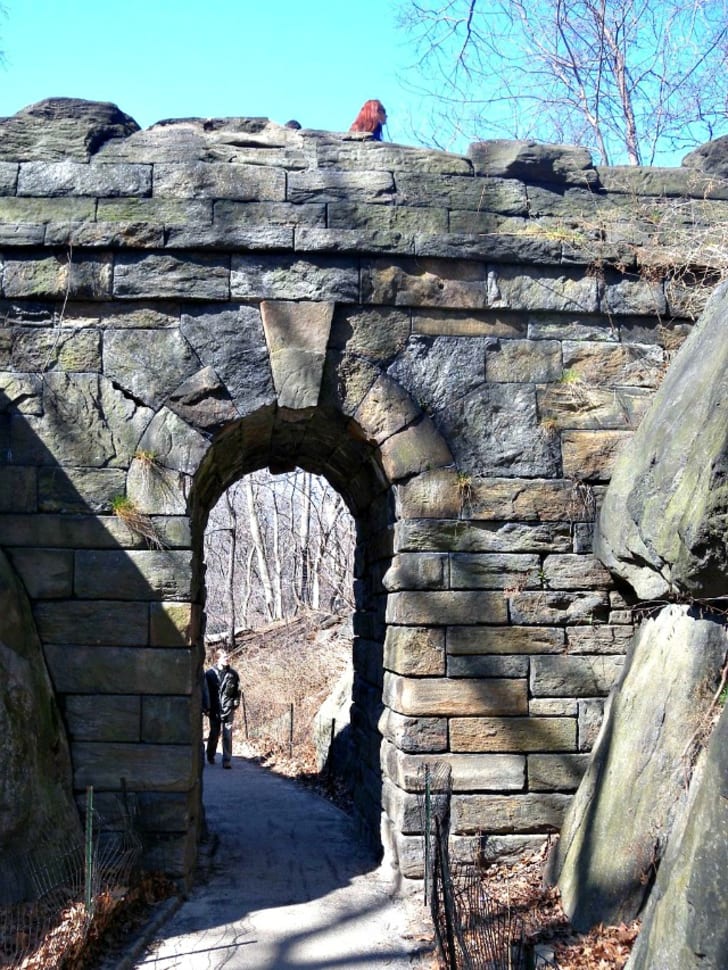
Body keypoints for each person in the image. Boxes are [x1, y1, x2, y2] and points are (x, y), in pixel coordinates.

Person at [204, 648, 241, 769]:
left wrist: (235, 703)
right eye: (224, 657)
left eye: (227, 657)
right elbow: (205, 692)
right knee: (214, 733)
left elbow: (237, 690)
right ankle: (210, 754)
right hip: (214, 709)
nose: (227, 659)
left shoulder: (233, 674)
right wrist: (206, 707)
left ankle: (227, 760)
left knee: (227, 734)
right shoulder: (209, 674)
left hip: (228, 708)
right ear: (218, 659)